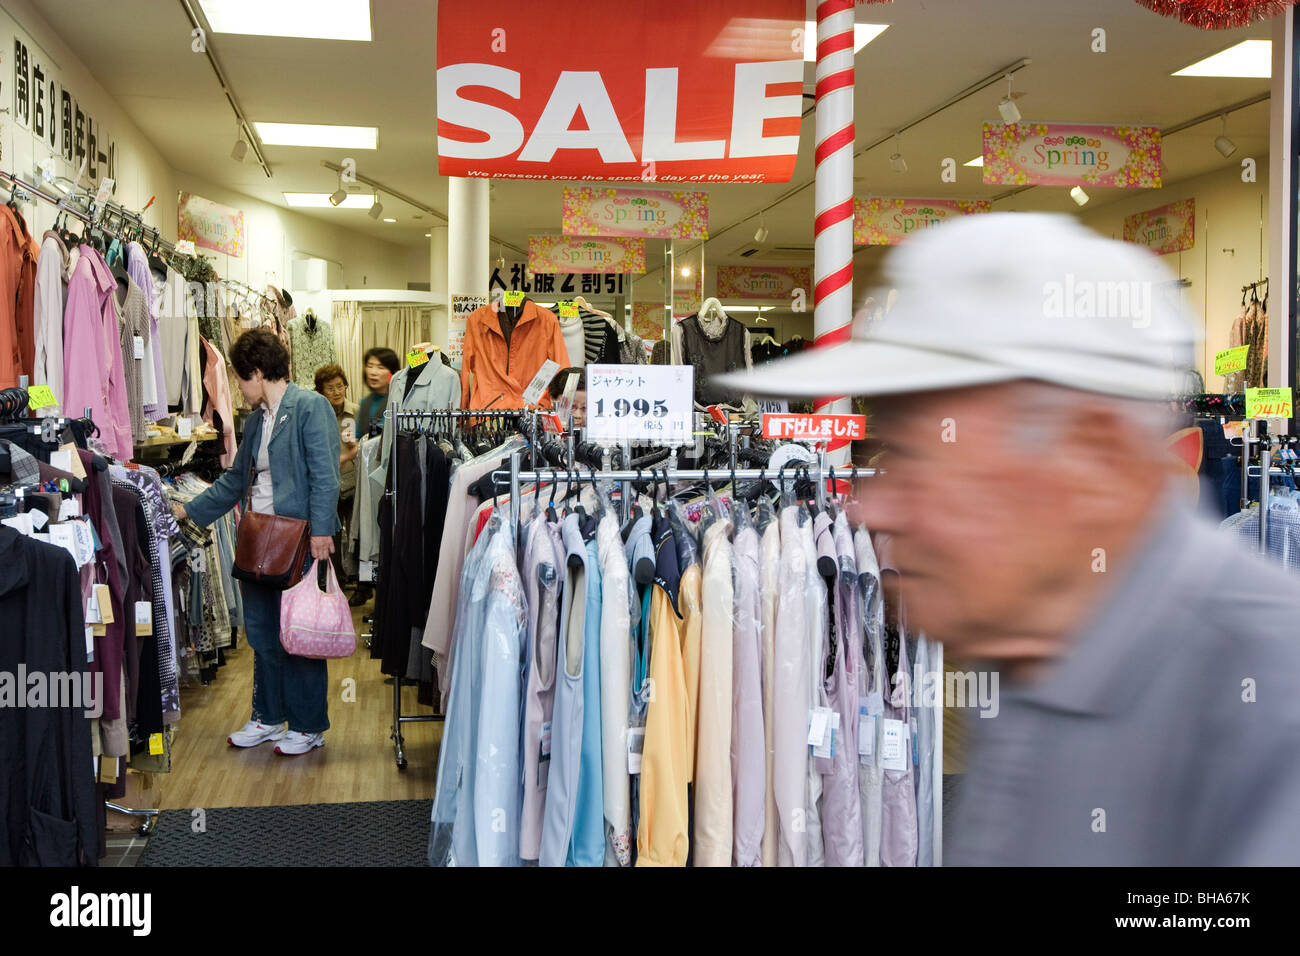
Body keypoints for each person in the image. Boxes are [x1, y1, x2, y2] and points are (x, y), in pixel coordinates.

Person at [717, 213, 1300, 865]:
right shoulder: (1035, 661)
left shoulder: (1268, 708)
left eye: (921, 455)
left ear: (1091, 460)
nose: (873, 508)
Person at [173, 328, 341, 756]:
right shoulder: (256, 420)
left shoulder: (310, 407)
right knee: (263, 634)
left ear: (258, 372)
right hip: (258, 537)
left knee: (299, 632)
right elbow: (234, 481)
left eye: (240, 378)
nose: (237, 387)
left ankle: (307, 724)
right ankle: (267, 716)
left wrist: (322, 532)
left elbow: (325, 474)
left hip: (299, 538)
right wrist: (189, 509)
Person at [315, 363, 358, 584]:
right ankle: (335, 580)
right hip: (328, 486)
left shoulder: (356, 412)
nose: (336, 392)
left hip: (353, 484)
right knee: (332, 534)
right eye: (330, 388)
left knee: (356, 533)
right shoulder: (317, 415)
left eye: (340, 386)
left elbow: (368, 448)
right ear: (321, 392)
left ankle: (360, 581)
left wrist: (354, 449)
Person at [357, 347, 400, 439]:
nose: (373, 372)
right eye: (370, 366)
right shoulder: (364, 403)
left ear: (393, 373)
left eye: (381, 367)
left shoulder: (399, 401)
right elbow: (359, 438)